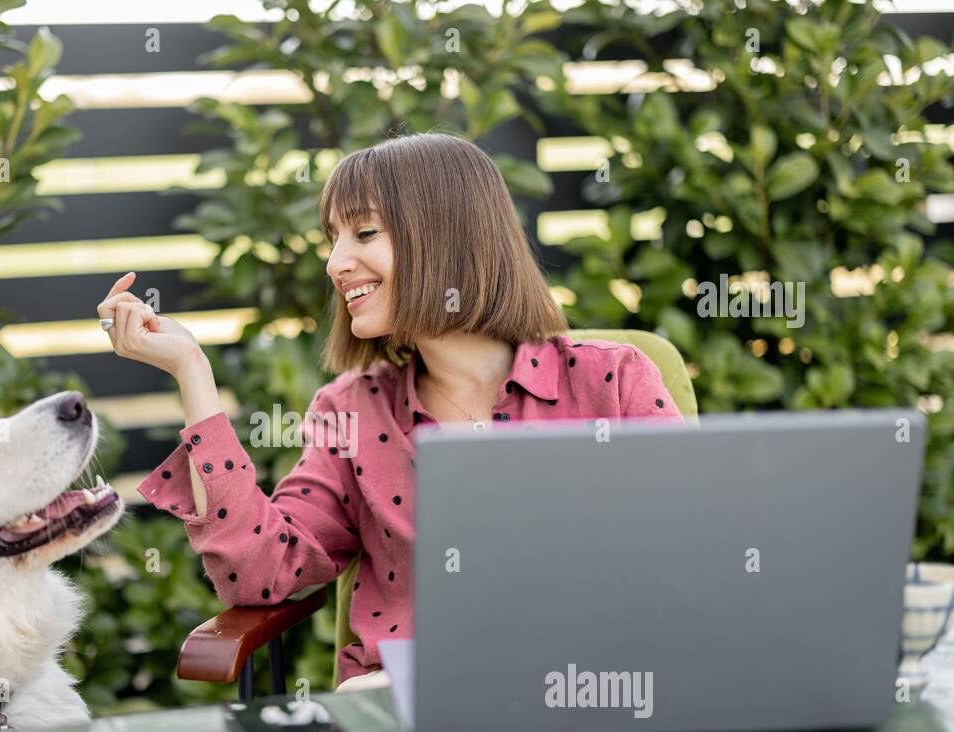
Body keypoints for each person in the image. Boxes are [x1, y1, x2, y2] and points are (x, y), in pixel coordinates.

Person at [97, 131, 683, 693]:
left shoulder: (612, 381)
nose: (335, 263)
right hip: (403, 704)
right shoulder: (351, 411)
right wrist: (192, 373)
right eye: (333, 239)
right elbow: (259, 574)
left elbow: (688, 557)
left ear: (449, 236)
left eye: (364, 232)